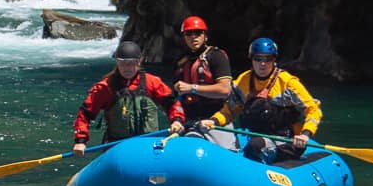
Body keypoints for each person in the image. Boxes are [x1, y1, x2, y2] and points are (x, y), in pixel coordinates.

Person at [212, 37, 323, 164]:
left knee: (255, 146)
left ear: (274, 59)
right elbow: (229, 111)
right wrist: (213, 121)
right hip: (259, 136)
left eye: (268, 59)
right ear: (252, 59)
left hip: (287, 141)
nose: (262, 63)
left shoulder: (288, 82)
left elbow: (313, 110)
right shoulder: (244, 80)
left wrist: (305, 134)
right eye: (258, 59)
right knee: (254, 144)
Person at [73, 41, 185, 155]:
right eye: (123, 63)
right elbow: (85, 114)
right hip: (117, 146)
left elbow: (172, 103)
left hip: (149, 144)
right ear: (117, 62)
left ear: (140, 61)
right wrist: (80, 140)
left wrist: (176, 120)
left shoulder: (152, 82)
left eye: (132, 63)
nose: (128, 68)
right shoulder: (105, 87)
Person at [171, 16, 237, 149]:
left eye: (198, 33)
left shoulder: (216, 56)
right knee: (189, 145)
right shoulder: (180, 61)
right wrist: (177, 120)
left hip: (215, 118)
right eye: (189, 34)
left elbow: (225, 90)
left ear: (205, 36)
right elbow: (176, 99)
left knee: (228, 151)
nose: (193, 37)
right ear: (184, 37)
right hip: (191, 119)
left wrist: (192, 88)